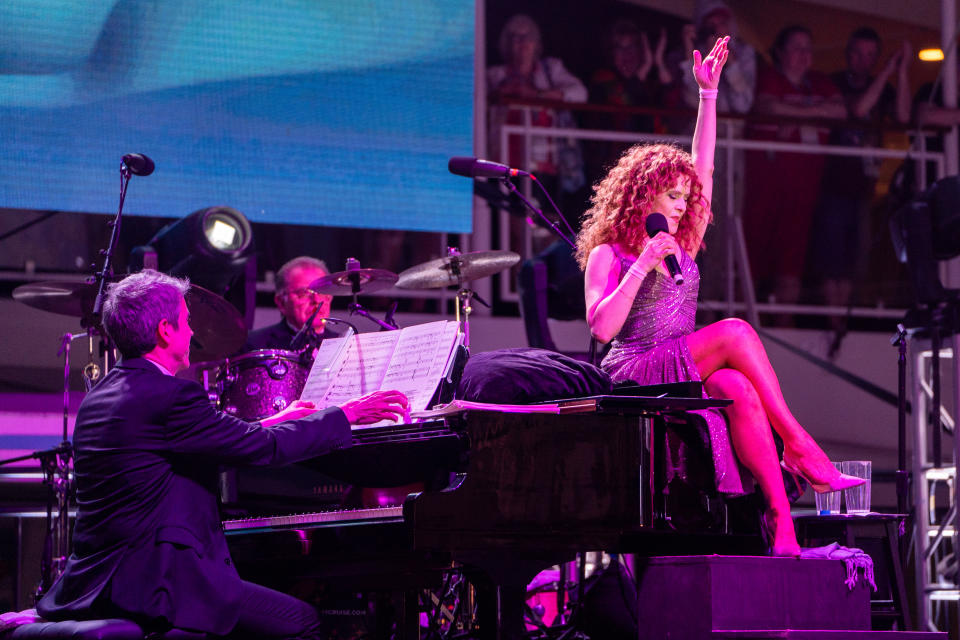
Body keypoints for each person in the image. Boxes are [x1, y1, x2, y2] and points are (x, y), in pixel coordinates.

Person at [576, 37, 862, 557]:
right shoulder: (611, 254)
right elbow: (601, 329)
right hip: (634, 369)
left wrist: (708, 95)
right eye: (673, 196)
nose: (684, 206)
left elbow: (703, 167)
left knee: (736, 384)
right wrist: (640, 265)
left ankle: (782, 523)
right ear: (643, 196)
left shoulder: (683, 241)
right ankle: (798, 444)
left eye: (687, 199)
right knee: (734, 331)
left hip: (685, 365)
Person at [36, 269, 408, 638]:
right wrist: (345, 415)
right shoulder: (172, 397)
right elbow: (266, 449)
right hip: (157, 584)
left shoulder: (100, 397)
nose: (192, 332)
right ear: (165, 331)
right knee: (303, 622)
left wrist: (277, 418)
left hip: (96, 582)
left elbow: (210, 438)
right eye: (185, 321)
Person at [811, 28, 910, 348]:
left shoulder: (884, 85)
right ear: (847, 53)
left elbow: (904, 116)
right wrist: (885, 74)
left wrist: (903, 71)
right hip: (834, 180)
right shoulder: (835, 82)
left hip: (865, 186)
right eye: (858, 53)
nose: (863, 61)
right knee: (832, 255)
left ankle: (847, 319)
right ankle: (833, 317)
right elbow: (858, 109)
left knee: (856, 255)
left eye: (871, 55)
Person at [743, 25, 845, 311]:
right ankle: (741, 321)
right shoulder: (768, 78)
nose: (804, 55)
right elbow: (768, 107)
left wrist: (798, 117)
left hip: (805, 190)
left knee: (793, 257)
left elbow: (840, 111)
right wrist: (814, 115)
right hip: (763, 190)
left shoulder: (820, 83)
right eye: (797, 48)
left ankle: (785, 322)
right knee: (753, 251)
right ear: (780, 52)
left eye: (808, 48)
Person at [244, 256, 336, 352]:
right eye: (304, 293)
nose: (316, 300)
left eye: (322, 291)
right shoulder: (254, 344)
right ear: (281, 302)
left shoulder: (346, 346)